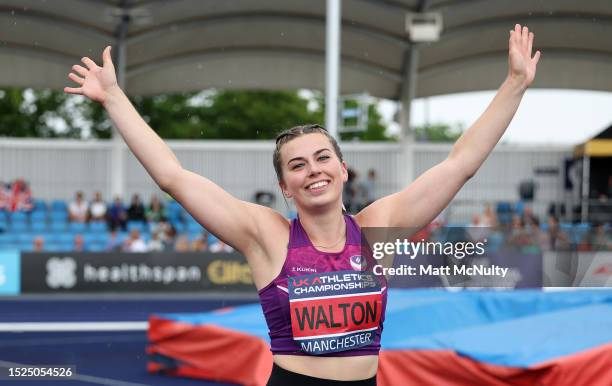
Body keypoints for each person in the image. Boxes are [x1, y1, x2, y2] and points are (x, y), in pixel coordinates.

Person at [65, 24, 540, 385]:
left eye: (322, 158)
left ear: (342, 169)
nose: (313, 169)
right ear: (285, 187)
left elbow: (459, 165)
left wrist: (515, 84)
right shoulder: (266, 236)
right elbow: (172, 176)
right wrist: (113, 98)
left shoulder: (380, 226)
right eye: (297, 165)